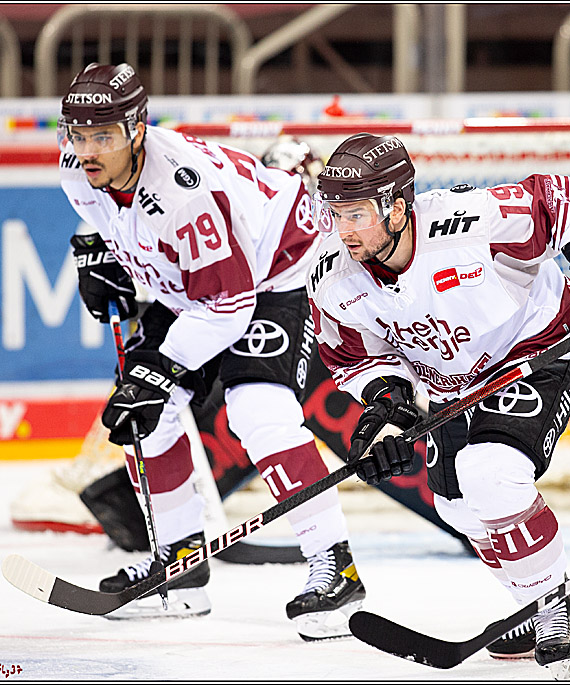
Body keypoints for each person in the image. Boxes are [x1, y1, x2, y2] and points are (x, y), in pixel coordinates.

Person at [306, 132, 570, 679]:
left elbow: (561, 196)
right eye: (336, 214)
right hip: (453, 388)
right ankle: (546, 600)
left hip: (537, 352)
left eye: (356, 214)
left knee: (491, 472)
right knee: (457, 508)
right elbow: (353, 355)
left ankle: (552, 615)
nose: (343, 229)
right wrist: (387, 401)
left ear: (396, 207)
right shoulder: (332, 276)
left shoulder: (469, 222)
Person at [59, 62, 365, 638]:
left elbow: (229, 304)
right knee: (144, 414)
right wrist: (93, 248)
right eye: (79, 135)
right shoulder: (77, 163)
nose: (88, 149)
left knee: (259, 411)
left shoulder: (184, 192)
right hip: (197, 282)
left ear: (137, 130)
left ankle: (337, 568)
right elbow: (102, 213)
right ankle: (179, 567)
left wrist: (162, 367)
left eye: (104, 136)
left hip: (279, 267)